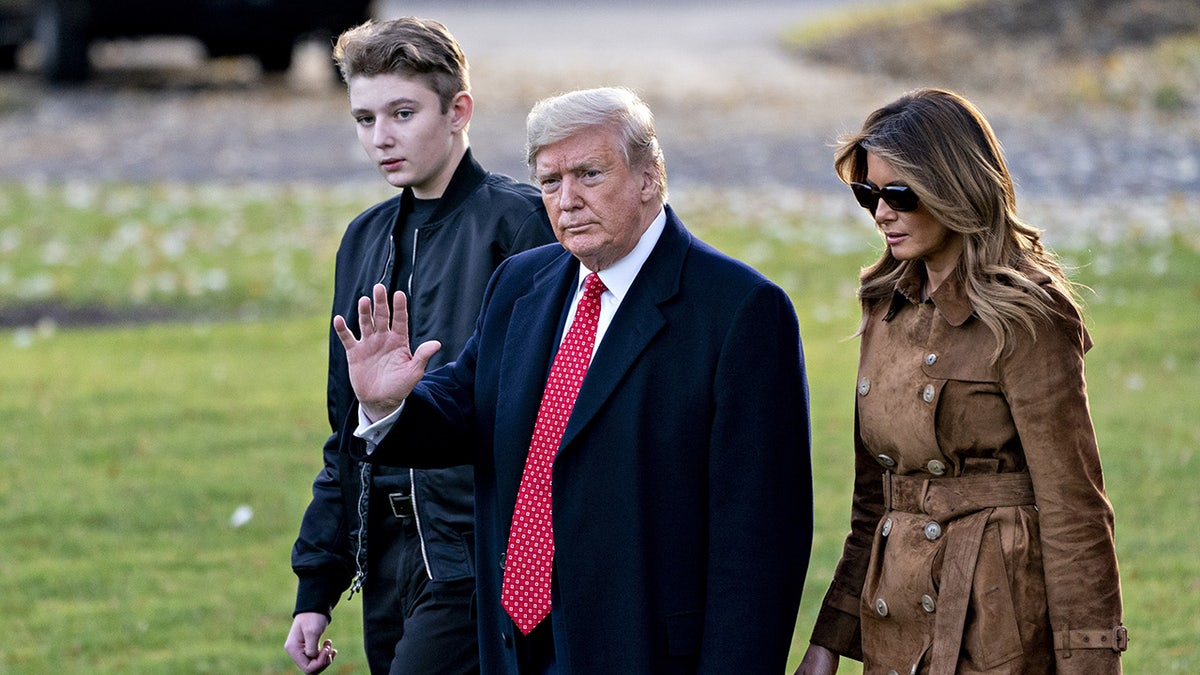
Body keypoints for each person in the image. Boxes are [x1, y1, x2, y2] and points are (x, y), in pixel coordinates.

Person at [333, 86, 813, 674]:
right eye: (550, 181)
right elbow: (463, 411)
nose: (568, 200)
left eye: (589, 174)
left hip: (644, 649)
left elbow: (761, 540)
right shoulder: (520, 282)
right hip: (515, 643)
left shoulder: (740, 310)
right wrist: (388, 405)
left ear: (649, 177)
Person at [796, 88, 1127, 675]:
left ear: (956, 186)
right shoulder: (885, 305)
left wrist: (1091, 662)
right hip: (896, 617)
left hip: (997, 621)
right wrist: (827, 642)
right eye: (868, 193)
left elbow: (1075, 509)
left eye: (900, 193)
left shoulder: (1026, 315)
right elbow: (874, 499)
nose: (881, 212)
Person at [285, 17, 556, 675]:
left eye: (402, 113)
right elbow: (347, 432)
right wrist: (317, 585)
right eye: (364, 117)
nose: (381, 137)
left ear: (458, 110)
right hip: (386, 560)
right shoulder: (363, 239)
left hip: (479, 557)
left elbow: (550, 418)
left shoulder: (522, 224)